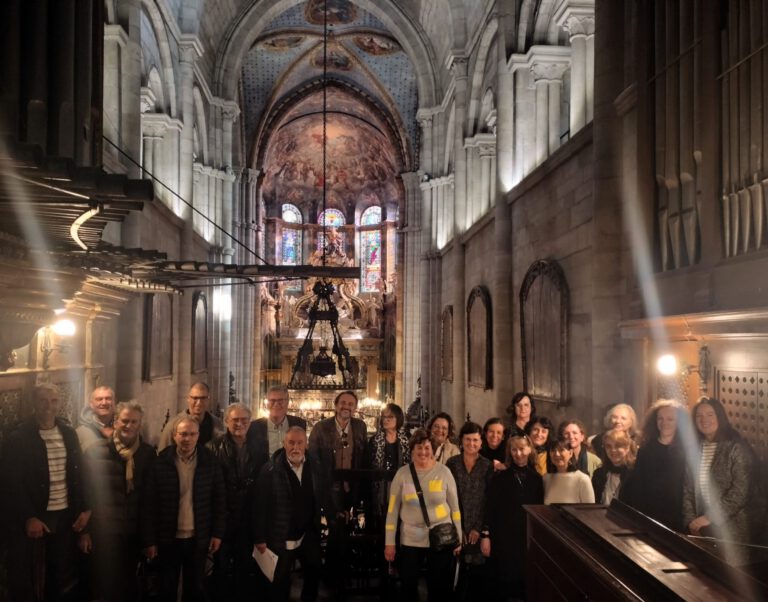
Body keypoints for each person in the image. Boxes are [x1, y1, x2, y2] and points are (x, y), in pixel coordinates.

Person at [2, 383, 90, 601]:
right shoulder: (19, 437)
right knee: (26, 577)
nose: (48, 406)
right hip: (35, 516)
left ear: (59, 403)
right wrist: (29, 516)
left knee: (59, 574)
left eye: (53, 401)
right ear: (34, 403)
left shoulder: (68, 433)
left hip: (64, 514)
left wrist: (84, 509)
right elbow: (12, 482)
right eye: (43, 400)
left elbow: (78, 474)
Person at [141, 416, 226, 601]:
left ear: (198, 436)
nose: (187, 438)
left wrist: (217, 533)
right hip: (168, 537)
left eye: (192, 434)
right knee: (166, 586)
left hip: (198, 536)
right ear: (174, 435)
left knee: (195, 587)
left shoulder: (209, 461)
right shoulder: (160, 462)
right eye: (183, 434)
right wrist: (150, 540)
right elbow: (149, 504)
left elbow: (219, 500)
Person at [81, 400, 155, 602]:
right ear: (116, 421)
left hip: (132, 534)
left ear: (140, 425)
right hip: (103, 533)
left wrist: (148, 540)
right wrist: (85, 532)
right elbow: (85, 494)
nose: (129, 426)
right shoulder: (95, 452)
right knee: (102, 586)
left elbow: (148, 501)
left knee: (129, 585)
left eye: (134, 422)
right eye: (124, 420)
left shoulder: (147, 454)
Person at [252, 426, 331, 602]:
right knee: (279, 581)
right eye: (291, 442)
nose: (295, 447)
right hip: (280, 533)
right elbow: (260, 506)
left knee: (314, 570)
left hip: (307, 532)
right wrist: (260, 537)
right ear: (284, 443)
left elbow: (322, 495)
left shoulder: (315, 466)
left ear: (307, 444)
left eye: (300, 442)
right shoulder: (270, 470)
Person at [384, 428, 462, 602]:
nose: (423, 452)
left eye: (427, 447)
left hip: (441, 538)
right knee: (409, 586)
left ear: (433, 449)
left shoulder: (444, 473)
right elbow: (392, 511)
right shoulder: (402, 475)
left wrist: (459, 538)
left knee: (438, 586)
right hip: (411, 539)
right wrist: (389, 542)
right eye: (419, 447)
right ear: (412, 450)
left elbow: (455, 508)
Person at [308, 390, 367, 593]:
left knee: (342, 528)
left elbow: (362, 457)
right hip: (327, 488)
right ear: (335, 405)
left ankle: (334, 573)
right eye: (343, 403)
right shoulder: (320, 428)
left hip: (349, 488)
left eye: (351, 404)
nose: (346, 407)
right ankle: (336, 575)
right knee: (335, 526)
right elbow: (314, 462)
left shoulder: (360, 427)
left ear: (355, 407)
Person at [682, 397, 756, 553]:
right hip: (700, 528)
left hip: (731, 528)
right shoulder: (694, 449)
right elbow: (687, 489)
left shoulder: (735, 447)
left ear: (720, 417)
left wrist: (709, 518)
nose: (704, 420)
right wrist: (691, 523)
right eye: (699, 416)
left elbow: (740, 493)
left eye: (710, 414)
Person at [208, 403, 261, 601]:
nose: (239, 424)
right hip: (223, 518)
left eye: (244, 420)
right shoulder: (213, 447)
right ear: (226, 422)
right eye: (235, 420)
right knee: (220, 567)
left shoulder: (258, 447)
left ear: (250, 422)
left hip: (247, 519)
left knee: (244, 567)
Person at [482, 434, 544, 600]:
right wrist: (485, 535)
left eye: (522, 449)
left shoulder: (537, 479)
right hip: (503, 537)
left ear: (529, 449)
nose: (518, 453)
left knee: (524, 581)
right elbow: (490, 508)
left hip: (526, 537)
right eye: (514, 449)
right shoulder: (500, 477)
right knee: (504, 580)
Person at [620, 399, 691, 531]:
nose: (664, 423)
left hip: (677, 517)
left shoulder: (686, 450)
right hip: (649, 514)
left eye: (670, 419)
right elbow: (638, 485)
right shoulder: (646, 449)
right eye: (660, 419)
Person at [446, 422, 493, 601]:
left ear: (481, 442)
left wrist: (478, 528)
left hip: (477, 529)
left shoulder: (487, 466)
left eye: (475, 440)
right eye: (467, 439)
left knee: (476, 580)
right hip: (456, 527)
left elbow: (489, 500)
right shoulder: (452, 463)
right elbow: (448, 497)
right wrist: (458, 529)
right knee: (456, 578)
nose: (471, 444)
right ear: (461, 441)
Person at [366, 402, 410, 525]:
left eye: (390, 417)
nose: (386, 420)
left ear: (398, 419)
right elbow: (368, 464)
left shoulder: (406, 440)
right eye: (384, 417)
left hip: (400, 485)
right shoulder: (375, 441)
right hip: (380, 486)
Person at [247, 385, 307, 476]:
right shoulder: (254, 427)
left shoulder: (299, 423)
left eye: (280, 400)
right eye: (272, 400)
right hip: (264, 477)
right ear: (267, 403)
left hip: (291, 476)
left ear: (287, 403)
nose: (276, 404)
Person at [157, 382, 225, 450]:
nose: (199, 403)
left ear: (208, 399)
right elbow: (163, 455)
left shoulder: (217, 424)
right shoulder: (173, 426)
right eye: (195, 398)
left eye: (203, 398)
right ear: (188, 399)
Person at [543, 437, 595, 504]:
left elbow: (590, 510)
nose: (556, 454)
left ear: (570, 453)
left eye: (561, 450)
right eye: (553, 450)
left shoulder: (582, 479)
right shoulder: (546, 478)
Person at [591, 429, 636, 504]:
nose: (613, 450)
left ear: (627, 448)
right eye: (608, 446)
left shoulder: (635, 474)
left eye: (618, 446)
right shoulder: (598, 474)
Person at [76, 385, 116, 451]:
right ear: (91, 404)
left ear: (114, 402)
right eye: (99, 399)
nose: (104, 403)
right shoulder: (80, 433)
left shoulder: (124, 428)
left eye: (108, 398)